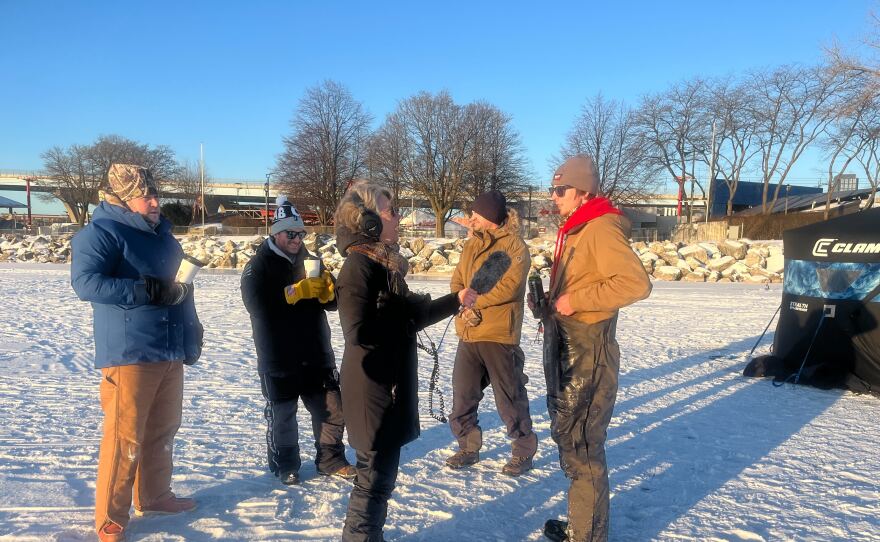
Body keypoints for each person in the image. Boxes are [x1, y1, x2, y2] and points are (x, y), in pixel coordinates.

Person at [71, 164, 203, 542]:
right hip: (130, 351)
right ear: (123, 199)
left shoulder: (166, 239)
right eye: (146, 196)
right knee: (124, 437)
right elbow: (85, 283)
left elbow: (181, 291)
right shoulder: (100, 233)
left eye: (156, 194)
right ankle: (110, 519)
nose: (156, 202)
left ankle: (155, 495)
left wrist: (191, 332)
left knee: (163, 429)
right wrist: (144, 291)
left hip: (169, 348)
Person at [334, 180, 469, 541]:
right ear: (368, 222)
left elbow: (410, 319)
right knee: (373, 479)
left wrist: (457, 300)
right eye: (390, 211)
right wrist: (395, 314)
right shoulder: (359, 267)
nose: (398, 218)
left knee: (380, 480)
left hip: (386, 386)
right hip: (371, 389)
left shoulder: (386, 266)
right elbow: (357, 333)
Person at [533, 155, 652, 542]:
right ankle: (582, 526)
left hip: (589, 350)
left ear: (583, 191)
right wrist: (549, 304)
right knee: (570, 437)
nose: (554, 196)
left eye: (561, 189)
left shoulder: (600, 227)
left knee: (582, 444)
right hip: (569, 344)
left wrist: (577, 300)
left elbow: (636, 283)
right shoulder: (577, 228)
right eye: (552, 189)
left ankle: (587, 536)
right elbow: (579, 284)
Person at [240, 196, 355, 486]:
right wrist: (292, 293)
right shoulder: (258, 266)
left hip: (316, 352)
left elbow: (333, 303)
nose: (296, 239)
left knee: (333, 409)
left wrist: (330, 292)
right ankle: (286, 464)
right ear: (276, 233)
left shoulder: (313, 261)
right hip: (278, 355)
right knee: (283, 414)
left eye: (301, 234)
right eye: (290, 234)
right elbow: (257, 306)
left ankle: (330, 459)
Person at [446, 190, 537, 476]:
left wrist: (474, 303)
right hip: (469, 331)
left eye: (476, 214)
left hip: (498, 333)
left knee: (509, 397)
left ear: (490, 217)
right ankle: (468, 445)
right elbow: (458, 280)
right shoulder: (472, 244)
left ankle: (523, 451)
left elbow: (509, 288)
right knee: (463, 393)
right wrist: (461, 303)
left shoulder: (514, 246)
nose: (471, 219)